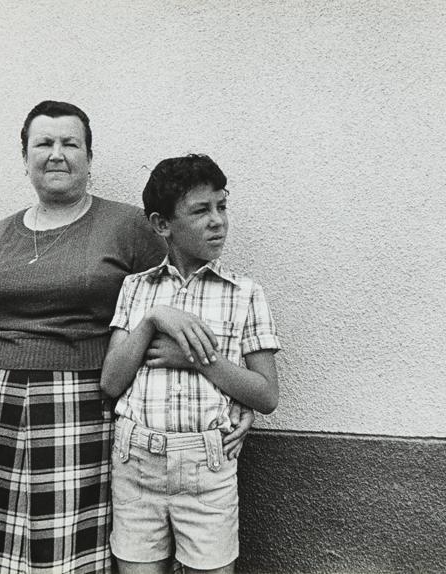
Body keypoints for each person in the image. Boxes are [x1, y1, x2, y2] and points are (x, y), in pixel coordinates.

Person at [0, 102, 254, 574]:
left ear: (89, 158)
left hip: (82, 403)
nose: (56, 154)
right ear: (25, 155)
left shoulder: (128, 225)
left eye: (70, 143)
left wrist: (238, 404)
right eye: (43, 143)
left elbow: (187, 301)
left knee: (64, 546)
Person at [100, 154, 281, 573]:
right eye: (201, 210)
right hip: (136, 464)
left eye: (222, 205)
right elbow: (111, 381)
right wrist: (154, 318)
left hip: (207, 468)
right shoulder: (136, 289)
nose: (217, 220)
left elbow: (267, 394)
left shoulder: (244, 294)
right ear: (163, 225)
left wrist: (200, 360)